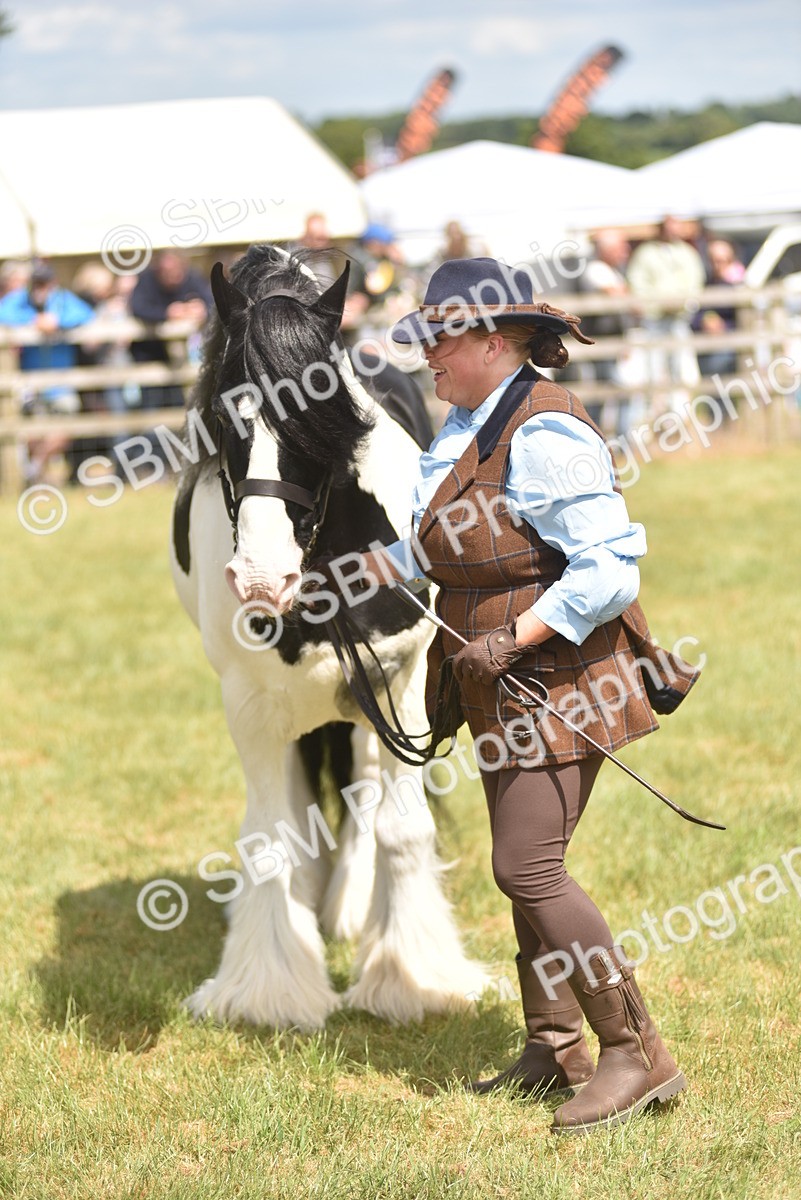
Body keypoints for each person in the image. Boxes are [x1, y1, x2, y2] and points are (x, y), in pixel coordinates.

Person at [324, 258, 701, 1135]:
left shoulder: (543, 433)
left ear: (492, 342)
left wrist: (515, 637)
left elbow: (609, 569)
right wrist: (336, 578)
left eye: (439, 339)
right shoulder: (463, 429)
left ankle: (635, 1055)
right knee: (522, 864)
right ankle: (552, 1048)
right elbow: (432, 549)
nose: (426, 357)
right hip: (498, 685)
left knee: (525, 867)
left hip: (560, 677)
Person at [0, 261, 95, 483]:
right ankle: (38, 475)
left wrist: (58, 322)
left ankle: (35, 468)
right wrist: (32, 321)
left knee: (66, 426)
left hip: (61, 383)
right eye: (36, 283)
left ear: (53, 283)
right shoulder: (19, 301)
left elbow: (87, 314)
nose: (40, 289)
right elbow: (3, 312)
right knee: (30, 429)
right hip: (29, 382)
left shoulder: (63, 300)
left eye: (44, 283)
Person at [626, 216, 706, 405]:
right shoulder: (645, 254)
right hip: (654, 318)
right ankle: (654, 411)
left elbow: (695, 281)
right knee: (653, 365)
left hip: (679, 317)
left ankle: (679, 411)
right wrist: (653, 304)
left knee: (681, 365)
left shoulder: (687, 253)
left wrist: (685, 303)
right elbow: (637, 281)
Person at [692, 239, 745, 378]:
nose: (717, 265)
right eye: (713, 260)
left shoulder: (740, 285)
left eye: (722, 261)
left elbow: (744, 319)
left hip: (731, 344)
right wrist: (705, 321)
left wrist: (723, 326)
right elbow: (695, 316)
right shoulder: (706, 284)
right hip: (709, 345)